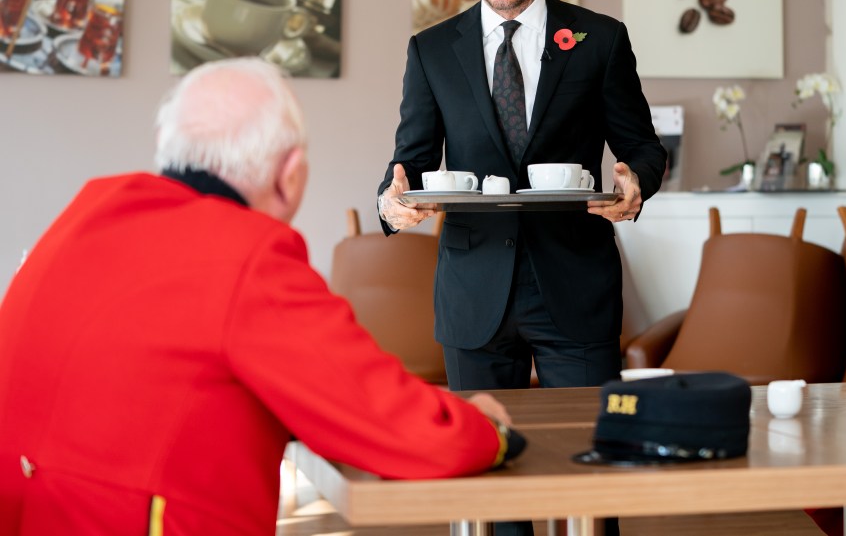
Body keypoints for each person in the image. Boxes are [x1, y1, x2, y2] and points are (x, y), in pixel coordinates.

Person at [0, 58, 521, 536]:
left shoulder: (84, 217)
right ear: (290, 175)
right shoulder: (247, 255)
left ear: (168, 143)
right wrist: (485, 429)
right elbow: (394, 422)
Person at [377, 0, 666, 534]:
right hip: (474, 289)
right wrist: (392, 201)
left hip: (575, 282)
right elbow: (411, 158)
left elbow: (642, 147)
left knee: (593, 470)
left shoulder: (599, 40)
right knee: (487, 478)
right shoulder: (432, 49)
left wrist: (635, 184)